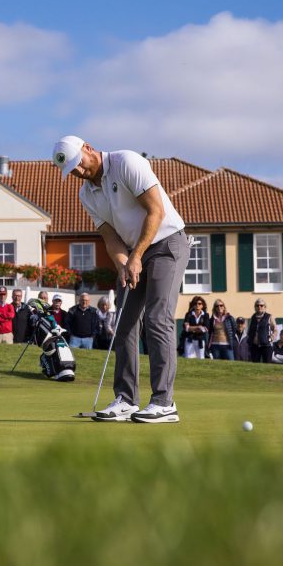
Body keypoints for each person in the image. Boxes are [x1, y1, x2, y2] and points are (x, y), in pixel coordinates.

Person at [53, 134, 190, 424]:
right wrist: (123, 264)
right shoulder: (86, 194)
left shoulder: (126, 162)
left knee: (157, 318)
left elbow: (156, 211)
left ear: (88, 149)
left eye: (79, 164)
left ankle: (165, 403)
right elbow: (109, 237)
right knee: (125, 324)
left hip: (167, 243)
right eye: (72, 171)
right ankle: (126, 400)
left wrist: (136, 256)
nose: (79, 172)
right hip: (133, 252)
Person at [246, 299, 276, 363]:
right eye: (257, 305)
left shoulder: (269, 317)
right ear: (255, 307)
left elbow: (275, 329)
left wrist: (272, 337)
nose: (259, 307)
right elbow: (250, 330)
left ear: (265, 307)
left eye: (261, 305)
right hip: (255, 346)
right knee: (255, 365)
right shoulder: (253, 317)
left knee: (267, 365)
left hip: (266, 345)